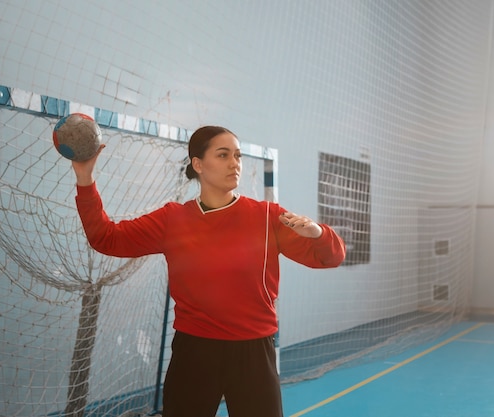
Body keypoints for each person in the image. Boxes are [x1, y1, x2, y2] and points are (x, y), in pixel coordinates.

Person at [72, 125, 345, 417]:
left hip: (253, 353)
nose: (235, 163)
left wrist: (318, 233)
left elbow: (329, 258)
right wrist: (84, 178)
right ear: (198, 164)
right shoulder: (172, 219)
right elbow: (106, 238)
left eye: (238, 155)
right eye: (223, 154)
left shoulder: (267, 216)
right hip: (194, 352)